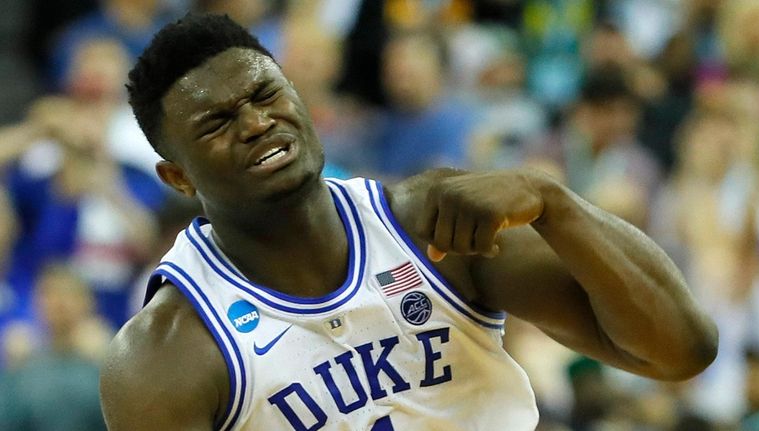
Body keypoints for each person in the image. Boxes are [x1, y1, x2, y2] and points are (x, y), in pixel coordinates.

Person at [99, 14, 718, 431]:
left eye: (266, 95)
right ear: (177, 177)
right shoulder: (167, 355)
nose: (257, 123)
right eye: (217, 123)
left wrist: (553, 200)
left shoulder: (429, 224)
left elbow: (680, 350)